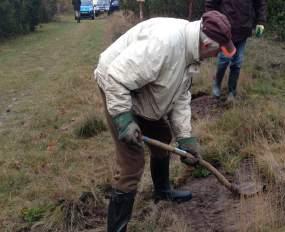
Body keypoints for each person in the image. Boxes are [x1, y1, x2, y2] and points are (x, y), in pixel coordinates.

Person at [94, 10, 235, 232]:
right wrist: (124, 119)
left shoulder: (190, 49)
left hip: (140, 87)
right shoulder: (165, 45)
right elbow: (116, 77)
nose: (216, 57)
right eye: (217, 52)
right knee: (132, 162)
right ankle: (117, 228)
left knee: (161, 135)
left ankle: (162, 191)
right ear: (207, 45)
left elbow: (180, 97)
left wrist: (185, 138)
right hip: (117, 87)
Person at [205, 0, 267, 103]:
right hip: (226, 30)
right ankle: (216, 85)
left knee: (237, 63)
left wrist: (261, 21)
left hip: (244, 29)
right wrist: (212, 20)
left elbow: (260, 3)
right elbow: (211, 3)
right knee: (224, 60)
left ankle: (232, 92)